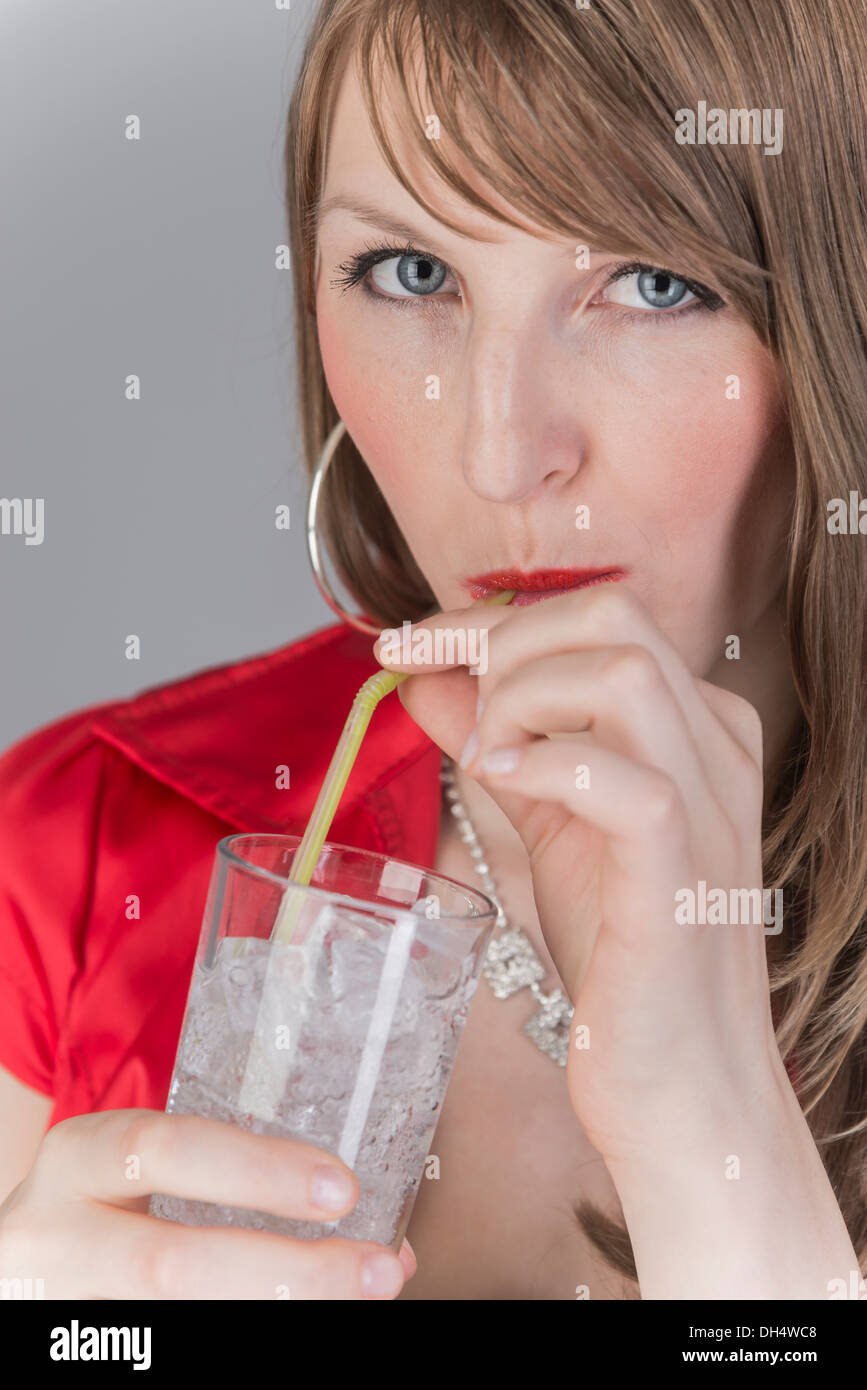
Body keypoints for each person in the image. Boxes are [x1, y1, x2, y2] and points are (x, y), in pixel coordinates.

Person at [0, 0, 864, 1301]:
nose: (496, 451)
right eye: (410, 274)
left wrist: (715, 1133)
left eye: (654, 282)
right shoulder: (81, 848)